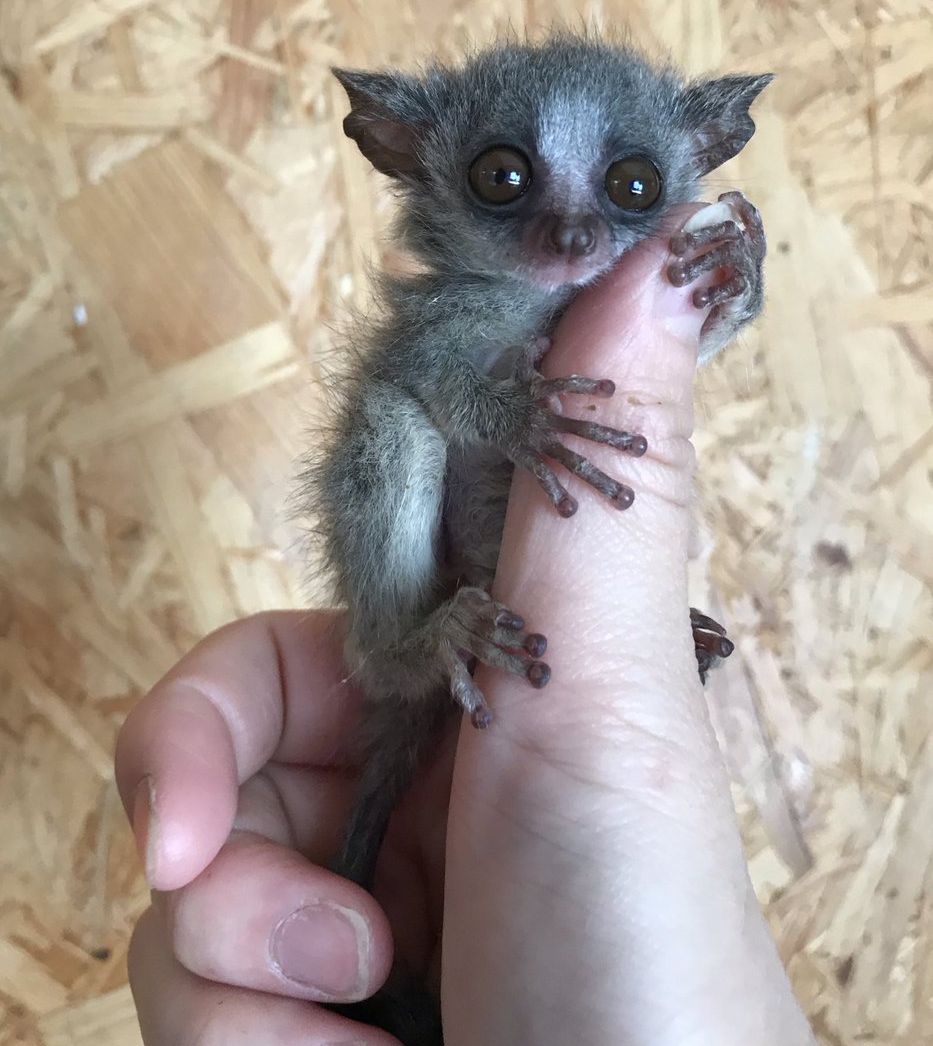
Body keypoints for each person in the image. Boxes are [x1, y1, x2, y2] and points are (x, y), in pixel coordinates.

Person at [116, 207, 817, 1045]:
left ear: (695, 154)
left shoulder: (628, 288)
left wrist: (728, 278)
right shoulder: (469, 298)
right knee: (391, 421)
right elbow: (436, 376)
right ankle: (414, 639)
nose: (571, 229)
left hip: (494, 618)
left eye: (627, 184)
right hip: (425, 587)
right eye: (507, 180)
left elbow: (677, 323)